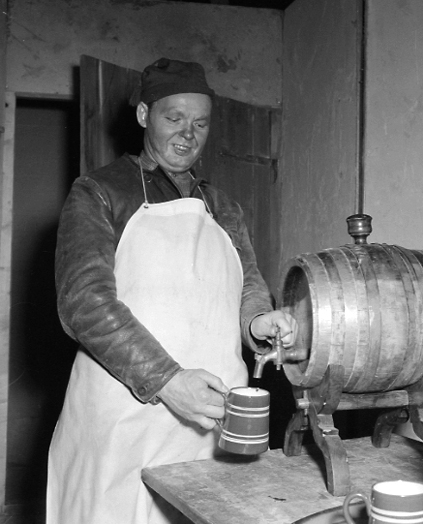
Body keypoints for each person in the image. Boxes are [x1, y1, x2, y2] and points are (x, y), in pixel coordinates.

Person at [46, 57, 298, 524]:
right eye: (174, 118)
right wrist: (166, 381)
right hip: (125, 419)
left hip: (210, 421)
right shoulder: (100, 192)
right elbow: (83, 302)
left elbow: (247, 285)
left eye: (200, 123)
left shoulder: (223, 207)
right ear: (144, 115)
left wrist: (259, 322)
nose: (187, 134)